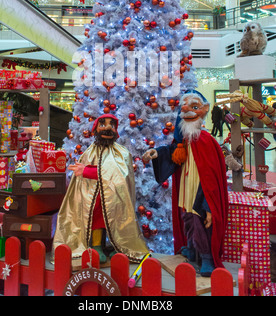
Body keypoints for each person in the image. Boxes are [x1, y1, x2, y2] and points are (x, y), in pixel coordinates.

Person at [142, 90, 228, 277]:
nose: (188, 110)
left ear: (204, 110)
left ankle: (206, 256)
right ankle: (191, 247)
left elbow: (212, 178)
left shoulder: (206, 141)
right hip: (185, 189)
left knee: (199, 222)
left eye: (194, 106)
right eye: (186, 106)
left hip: (200, 190)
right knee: (187, 219)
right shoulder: (182, 141)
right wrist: (156, 153)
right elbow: (173, 153)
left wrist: (209, 206)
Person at [52, 114, 148, 265]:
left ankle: (121, 246)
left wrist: (87, 171)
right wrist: (83, 171)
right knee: (97, 219)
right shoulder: (89, 152)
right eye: (103, 124)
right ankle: (97, 246)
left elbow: (117, 175)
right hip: (93, 199)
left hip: (116, 199)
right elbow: (88, 173)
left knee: (118, 218)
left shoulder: (122, 153)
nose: (108, 128)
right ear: (95, 128)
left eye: (112, 125)